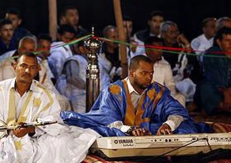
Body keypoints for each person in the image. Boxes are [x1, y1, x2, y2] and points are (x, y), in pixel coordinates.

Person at [0, 52, 99, 163]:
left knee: (61, 142)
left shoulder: (45, 95)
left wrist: (30, 130)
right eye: (23, 66)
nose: (27, 71)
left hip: (32, 141)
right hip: (2, 138)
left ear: (37, 70)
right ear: (14, 67)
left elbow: (54, 122)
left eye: (32, 67)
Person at [62, 55, 211, 136]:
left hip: (151, 130)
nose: (149, 77)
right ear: (132, 73)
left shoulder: (157, 90)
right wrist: (131, 130)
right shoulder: (113, 91)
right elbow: (107, 119)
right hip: (121, 131)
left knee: (186, 127)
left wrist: (167, 125)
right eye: (144, 73)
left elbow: (176, 110)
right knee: (96, 129)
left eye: (151, 73)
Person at [194, 27, 231, 115]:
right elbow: (215, 78)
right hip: (216, 89)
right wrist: (226, 93)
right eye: (227, 40)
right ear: (219, 42)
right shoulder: (213, 53)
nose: (230, 44)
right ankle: (221, 107)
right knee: (205, 86)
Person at [144, 36, 186, 106]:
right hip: (145, 99)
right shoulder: (138, 63)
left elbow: (170, 85)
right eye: (157, 49)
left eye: (162, 48)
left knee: (180, 98)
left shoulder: (165, 64)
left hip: (161, 98)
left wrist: (167, 96)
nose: (161, 51)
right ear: (147, 50)